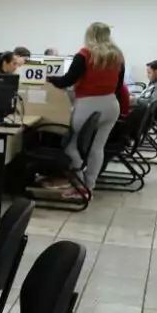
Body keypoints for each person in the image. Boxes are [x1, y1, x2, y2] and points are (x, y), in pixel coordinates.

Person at [48, 22, 127, 198]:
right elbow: (119, 85)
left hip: (88, 105)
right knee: (98, 148)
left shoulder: (84, 54)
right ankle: (89, 186)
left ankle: (78, 184)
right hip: (111, 105)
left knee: (71, 145)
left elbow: (66, 81)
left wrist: (49, 79)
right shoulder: (118, 56)